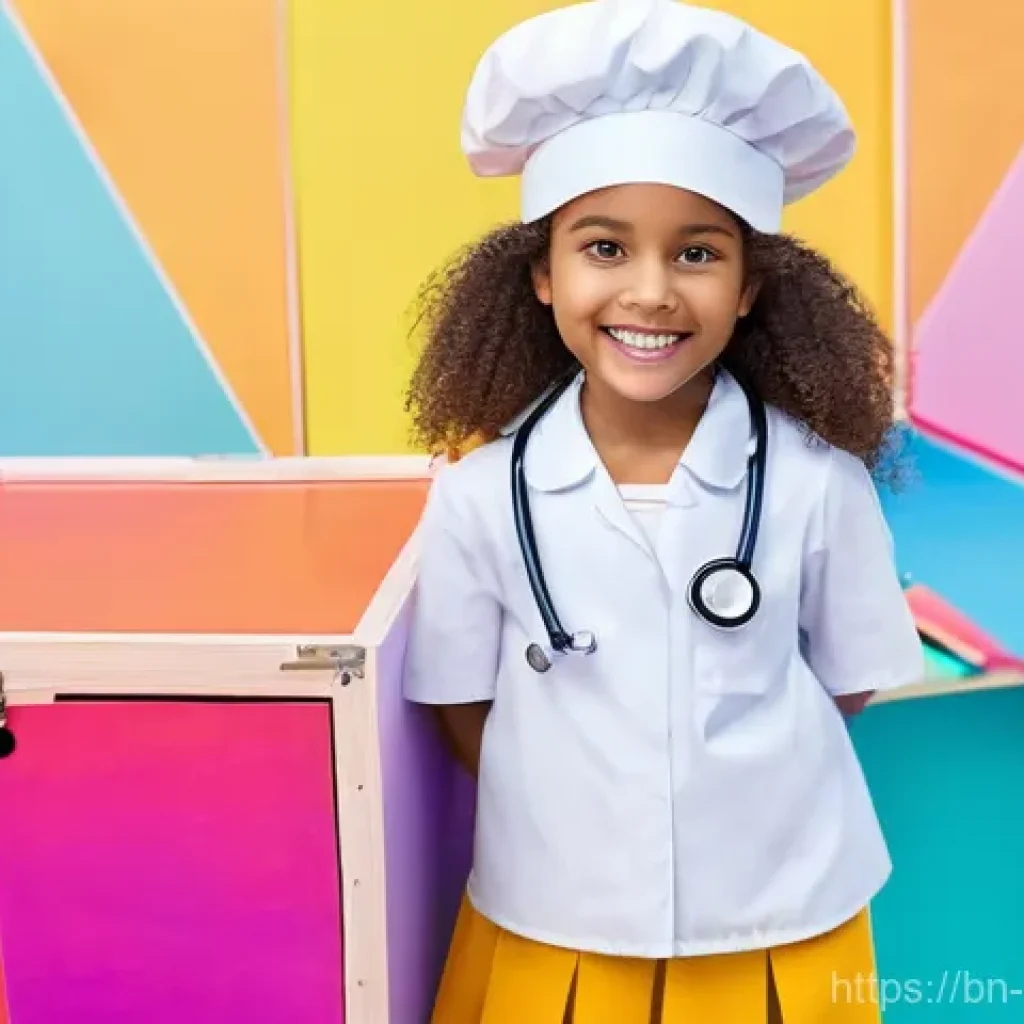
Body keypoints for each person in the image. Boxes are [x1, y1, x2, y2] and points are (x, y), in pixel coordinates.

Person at [402, 0, 924, 1020]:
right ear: (542, 277)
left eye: (696, 253)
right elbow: (462, 706)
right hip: (557, 915)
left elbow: (846, 682)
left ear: (752, 288)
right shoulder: (478, 497)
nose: (650, 293)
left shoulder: (817, 483)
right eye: (603, 248)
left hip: (781, 913)